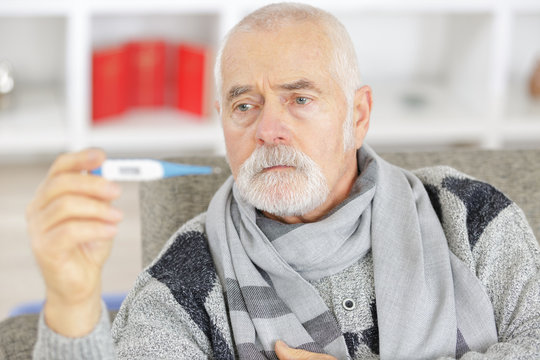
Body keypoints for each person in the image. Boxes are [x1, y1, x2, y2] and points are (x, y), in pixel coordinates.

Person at [27, 3, 540, 360]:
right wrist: (71, 305)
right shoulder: (182, 282)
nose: (268, 131)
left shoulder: (469, 214)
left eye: (300, 98)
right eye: (244, 105)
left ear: (357, 116)